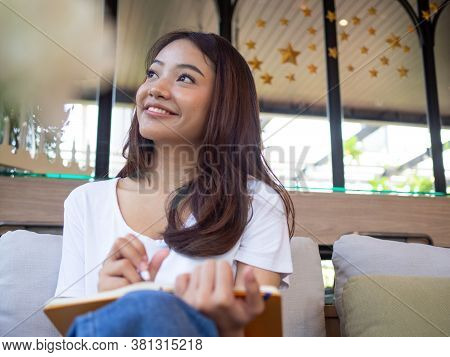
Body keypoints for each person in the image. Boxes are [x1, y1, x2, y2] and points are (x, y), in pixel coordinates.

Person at [54, 31, 295, 337]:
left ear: (224, 104)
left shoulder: (257, 203)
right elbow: (67, 337)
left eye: (184, 78)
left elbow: (256, 338)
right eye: (152, 73)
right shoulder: (85, 201)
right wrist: (111, 303)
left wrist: (224, 328)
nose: (156, 88)